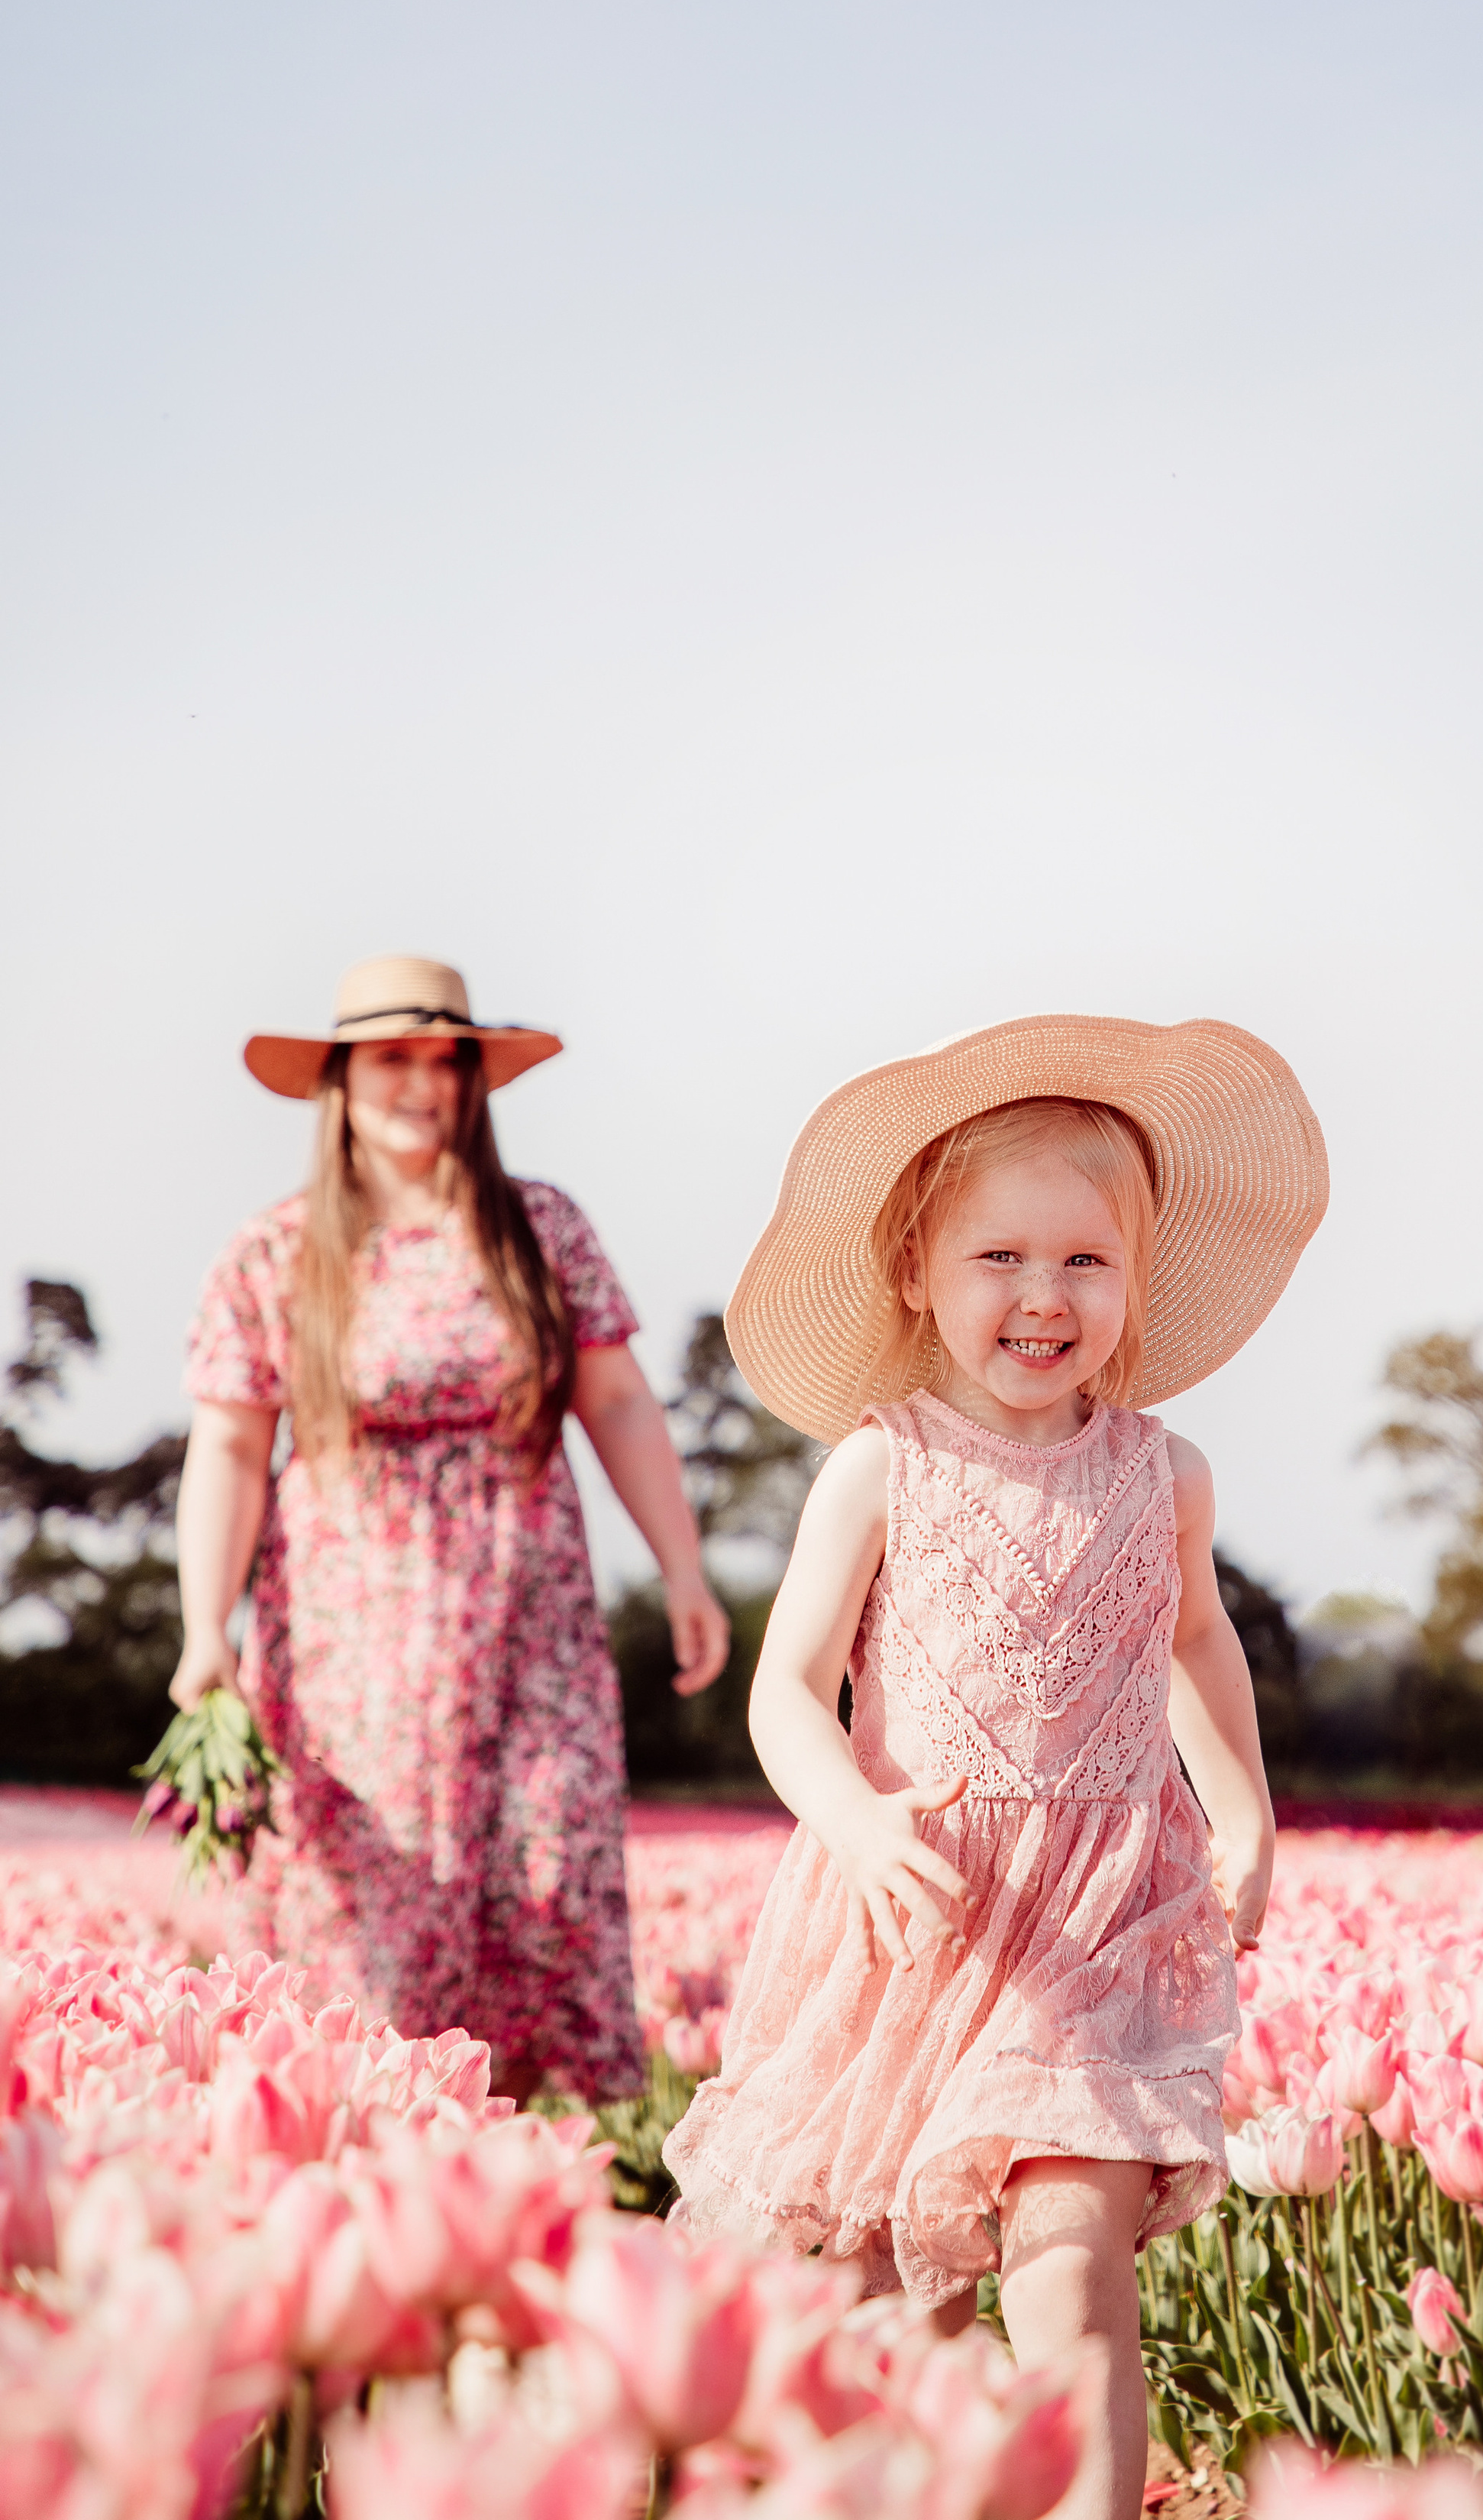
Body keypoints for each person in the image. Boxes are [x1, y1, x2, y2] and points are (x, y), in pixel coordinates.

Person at [662, 1014, 1328, 2520]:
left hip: (1096, 1924)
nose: (1043, 1297)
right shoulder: (880, 1463)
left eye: (1084, 1262)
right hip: (922, 1918)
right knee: (903, 2305)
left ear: (1133, 1281)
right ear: (918, 1274)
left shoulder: (1161, 1472)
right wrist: (850, 1819)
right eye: (999, 1260)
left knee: (1064, 2268)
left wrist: (1244, 1814)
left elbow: (1198, 1647)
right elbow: (785, 1692)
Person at [172, 954, 730, 2103]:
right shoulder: (277, 1252)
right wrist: (201, 1631)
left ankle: (505, 2183)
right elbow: (229, 1450)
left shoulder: (540, 1228)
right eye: (395, 1059)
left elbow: (618, 1402)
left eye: (447, 1061)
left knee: (540, 1878)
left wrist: (684, 1568)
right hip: (351, 1644)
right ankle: (365, 2183)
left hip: (531, 1626)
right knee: (377, 1909)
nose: (424, 1084)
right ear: (340, 1080)